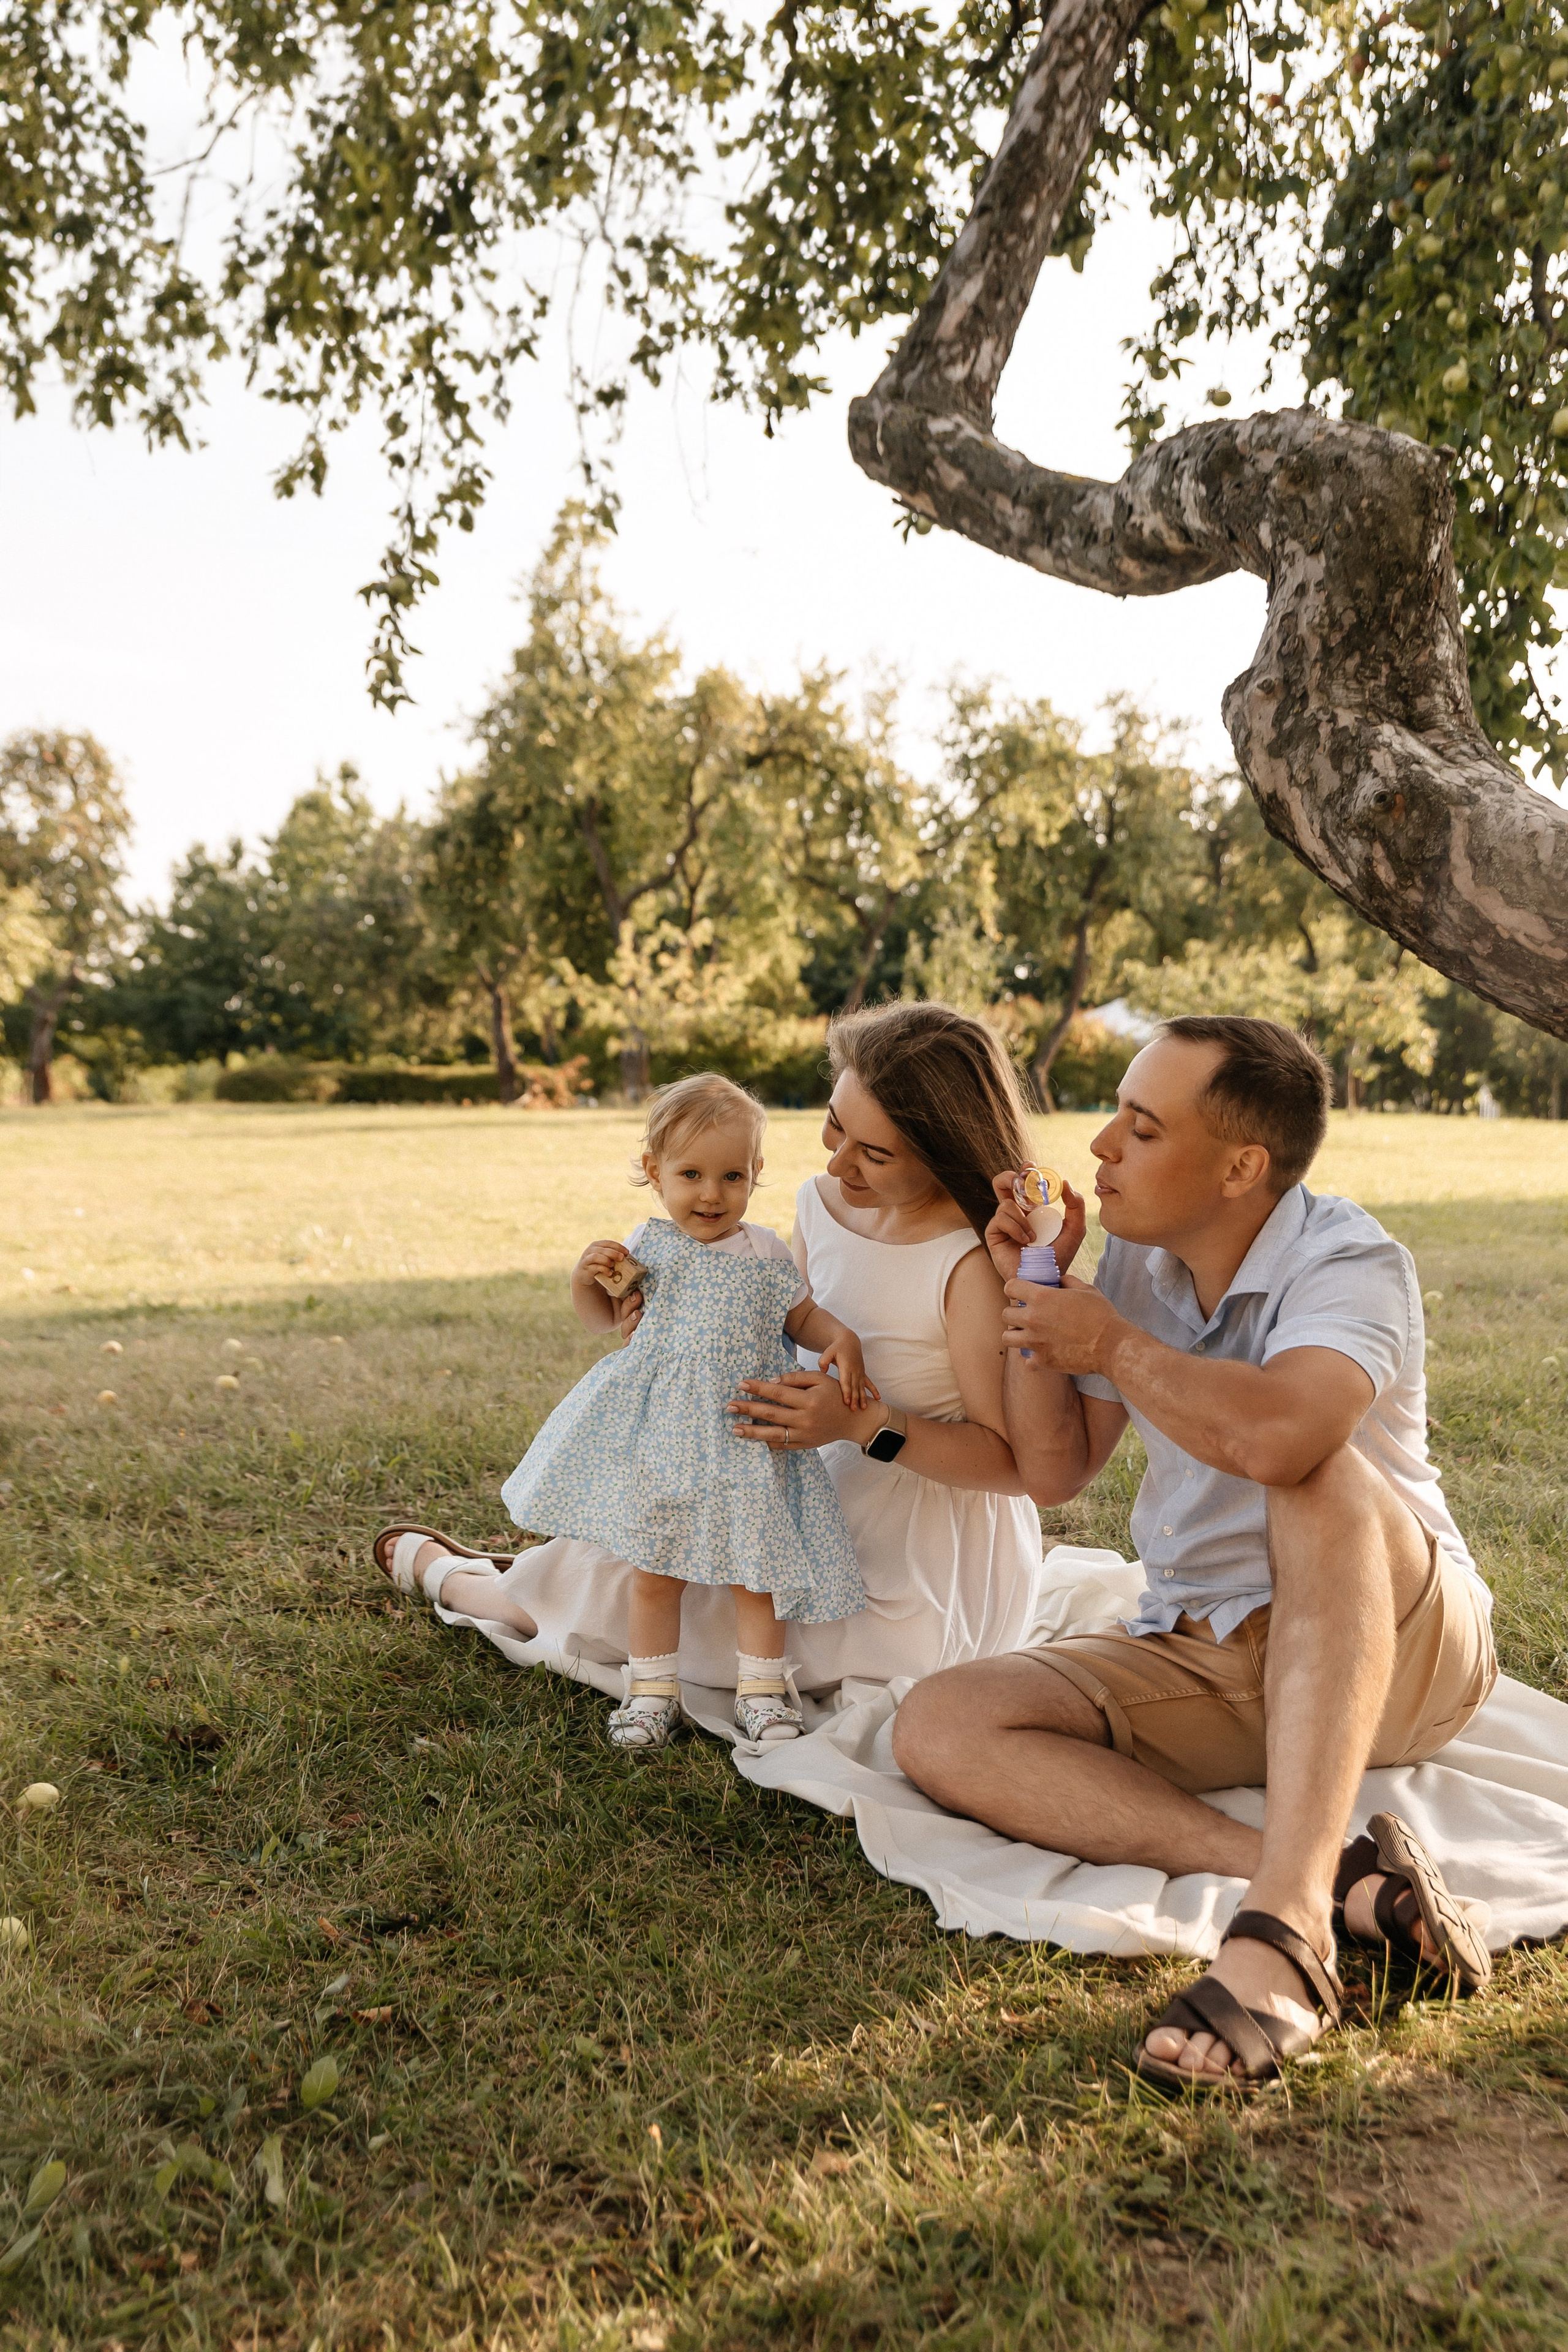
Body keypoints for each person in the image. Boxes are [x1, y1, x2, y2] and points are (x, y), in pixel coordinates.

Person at [892, 1015, 1499, 2091]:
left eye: (1140, 1127)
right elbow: (1053, 1468)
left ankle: (1286, 1932)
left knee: (1316, 1471)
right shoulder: (1132, 1257)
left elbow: (1280, 1435)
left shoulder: (1351, 1262)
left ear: (1242, 1168)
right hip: (1205, 1644)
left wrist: (1117, 1343)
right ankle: (1348, 1875)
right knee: (941, 1722)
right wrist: (1038, 1288)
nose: (1100, 1150)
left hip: (1399, 1648)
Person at [371, 1001, 1046, 1720]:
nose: (836, 1160)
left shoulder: (968, 1266)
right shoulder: (820, 1203)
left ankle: (461, 1581)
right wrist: (671, 1324)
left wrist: (862, 1426)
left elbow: (1009, 1465)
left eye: (873, 1154)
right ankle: (511, 1578)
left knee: (628, 1602)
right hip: (797, 1473)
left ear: (943, 1154)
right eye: (834, 1123)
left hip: (915, 1546)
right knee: (652, 1560)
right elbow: (779, 1324)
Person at [501, 1073, 872, 1749]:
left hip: (746, 1433)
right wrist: (585, 1279)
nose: (711, 1194)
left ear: (756, 1173)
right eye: (691, 1174)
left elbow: (803, 1317)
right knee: (655, 1574)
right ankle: (651, 1693)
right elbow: (604, 1320)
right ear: (654, 1171)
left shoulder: (765, 1251)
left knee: (754, 1576)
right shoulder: (646, 1246)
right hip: (665, 1435)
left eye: (732, 1176)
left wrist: (839, 1339)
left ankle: (760, 1693)